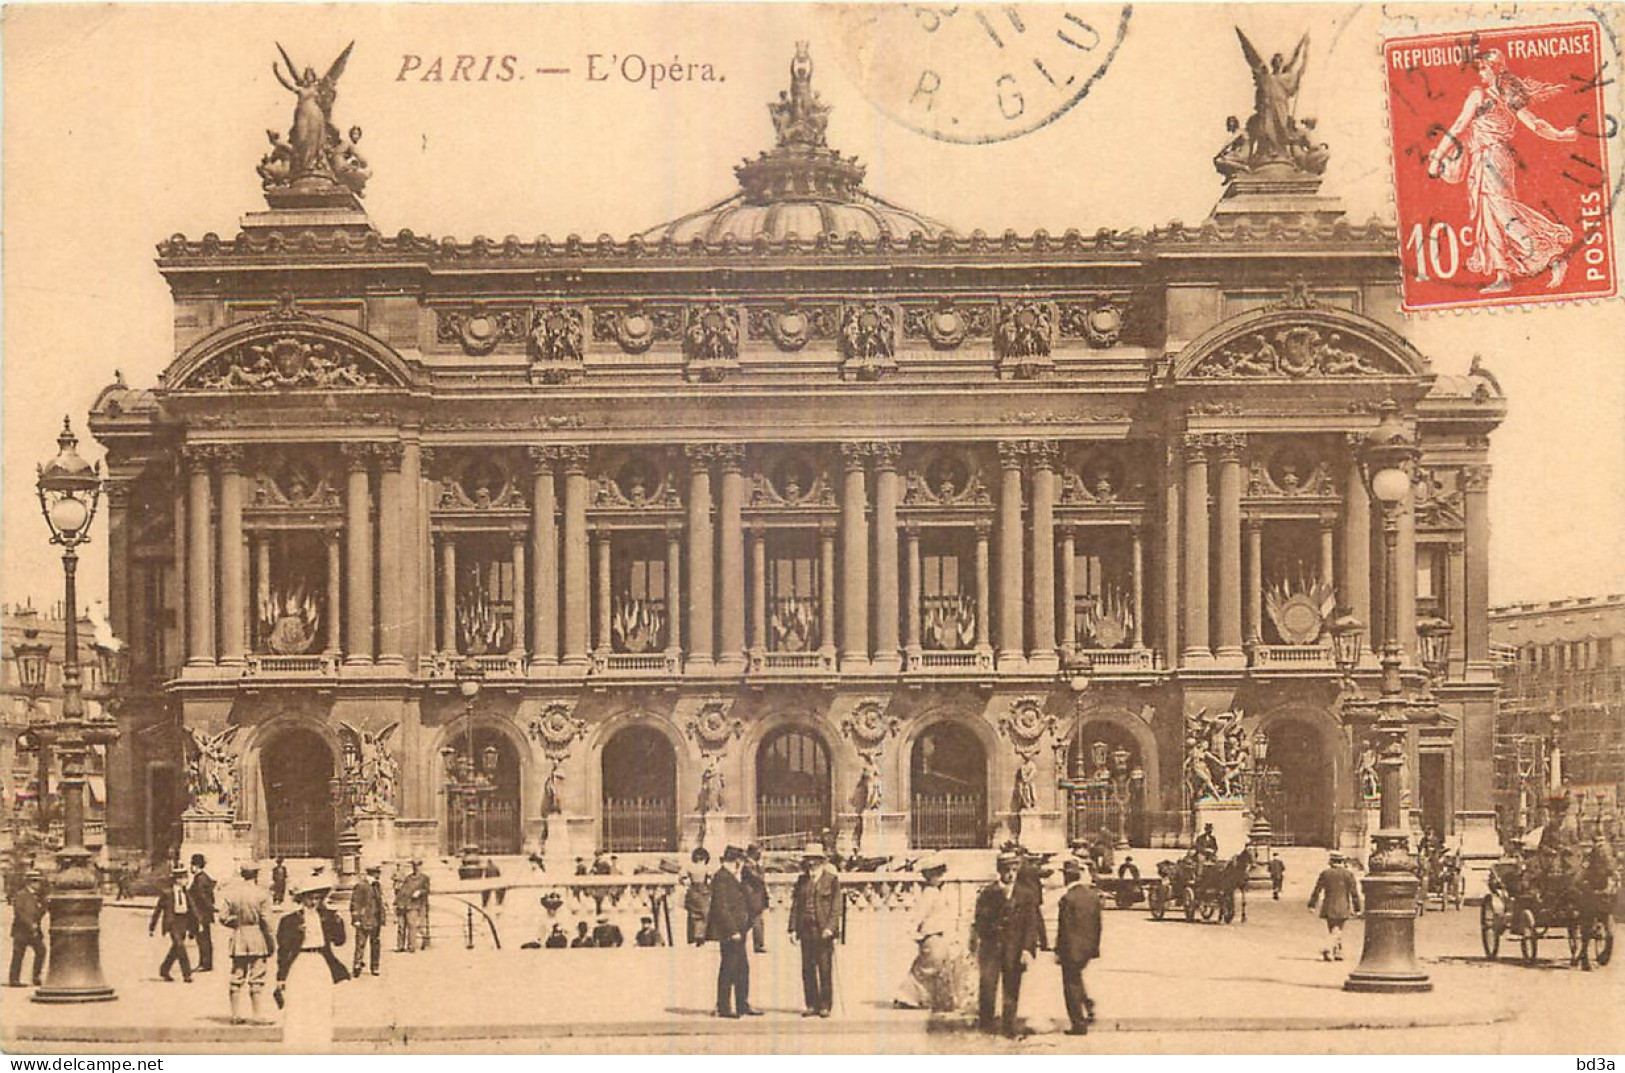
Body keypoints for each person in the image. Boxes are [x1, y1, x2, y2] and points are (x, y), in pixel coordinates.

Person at [1426, 49, 1579, 294]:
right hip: (1496, 158)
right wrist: (1560, 135)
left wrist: (1437, 157)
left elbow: (1458, 125)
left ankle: (1550, 257)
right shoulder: (1509, 99)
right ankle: (1502, 275)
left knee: (1503, 214)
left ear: (1493, 69)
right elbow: (1536, 125)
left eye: (1483, 68)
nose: (1481, 73)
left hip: (1489, 158)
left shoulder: (1480, 96)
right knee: (1490, 216)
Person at [973, 850, 1042, 1038]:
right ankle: (986, 1025)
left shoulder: (1026, 894)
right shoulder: (988, 893)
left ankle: (1008, 1027)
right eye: (1007, 870)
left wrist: (1028, 949)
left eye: (1014, 870)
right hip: (991, 949)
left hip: (1015, 950)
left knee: (1011, 988)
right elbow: (979, 921)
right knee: (988, 986)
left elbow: (1031, 924)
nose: (1011, 874)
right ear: (999, 871)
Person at [275, 872, 348, 1049]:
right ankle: (297, 1047)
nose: (313, 902)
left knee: (321, 1004)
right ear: (301, 898)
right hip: (300, 963)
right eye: (309, 898)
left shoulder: (328, 917)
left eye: (317, 898)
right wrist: (281, 977)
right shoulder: (289, 921)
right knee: (298, 1005)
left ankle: (320, 1046)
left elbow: (339, 941)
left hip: (320, 963)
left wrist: (339, 923)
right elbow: (283, 951)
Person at [895, 854, 959, 1011]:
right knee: (928, 967)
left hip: (939, 934)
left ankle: (932, 999)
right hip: (931, 935)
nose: (939, 877)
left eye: (940, 873)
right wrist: (913, 930)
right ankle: (909, 996)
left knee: (936, 967)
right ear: (928, 876)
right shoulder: (929, 893)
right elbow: (919, 914)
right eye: (936, 874)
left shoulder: (936, 892)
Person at [218, 861, 275, 1024]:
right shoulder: (262, 894)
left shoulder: (232, 894)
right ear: (256, 874)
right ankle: (257, 1015)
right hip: (257, 937)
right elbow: (267, 921)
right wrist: (272, 942)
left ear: (242, 874)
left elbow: (222, 917)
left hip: (239, 937)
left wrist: (235, 923)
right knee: (257, 978)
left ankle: (235, 1015)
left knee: (237, 976)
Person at [707, 845, 761, 1018]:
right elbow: (721, 907)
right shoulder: (722, 878)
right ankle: (724, 1006)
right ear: (737, 861)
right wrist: (732, 930)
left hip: (740, 929)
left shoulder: (733, 877)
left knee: (742, 967)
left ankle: (741, 1004)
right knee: (729, 967)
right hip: (730, 932)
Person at [790, 842, 840, 1017]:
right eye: (809, 860)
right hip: (806, 929)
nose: (811, 863)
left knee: (824, 968)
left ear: (821, 861)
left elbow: (836, 908)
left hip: (823, 930)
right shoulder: (802, 881)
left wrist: (830, 928)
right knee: (807, 968)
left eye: (815, 860)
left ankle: (825, 1005)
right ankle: (811, 1004)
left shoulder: (831, 880)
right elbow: (796, 905)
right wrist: (792, 929)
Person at [1055, 858, 1104, 1036]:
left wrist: (1059, 951)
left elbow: (1064, 929)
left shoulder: (1067, 898)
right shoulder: (1092, 896)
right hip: (1088, 948)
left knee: (1070, 985)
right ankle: (1087, 1003)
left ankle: (1078, 1024)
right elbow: (1098, 924)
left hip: (1071, 949)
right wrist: (1094, 948)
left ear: (1066, 878)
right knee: (1076, 979)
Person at [1308, 852, 1362, 961]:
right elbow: (1354, 892)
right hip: (1343, 905)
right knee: (1337, 929)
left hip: (1328, 905)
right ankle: (1329, 948)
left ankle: (1337, 952)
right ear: (1342, 862)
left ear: (1331, 862)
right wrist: (1357, 908)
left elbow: (1317, 890)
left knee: (1332, 928)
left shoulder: (1325, 873)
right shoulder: (1348, 874)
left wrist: (1312, 904)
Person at [150, 864, 197, 983]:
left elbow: (192, 908)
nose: (186, 880)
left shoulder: (186, 892)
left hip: (184, 922)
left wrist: (197, 923)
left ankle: (164, 969)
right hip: (173, 922)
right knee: (180, 946)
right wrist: (152, 927)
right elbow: (158, 910)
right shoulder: (167, 893)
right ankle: (187, 974)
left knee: (176, 948)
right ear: (177, 879)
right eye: (184, 878)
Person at [7, 870, 48, 988]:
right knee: (18, 955)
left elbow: (39, 912)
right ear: (30, 883)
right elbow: (20, 913)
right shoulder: (21, 895)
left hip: (33, 931)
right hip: (22, 931)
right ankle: (14, 979)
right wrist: (31, 925)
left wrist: (44, 906)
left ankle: (36, 976)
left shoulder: (37, 896)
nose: (39, 885)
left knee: (41, 951)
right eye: (37, 882)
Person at [350, 863, 385, 977]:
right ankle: (357, 965)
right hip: (364, 919)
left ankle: (375, 966)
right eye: (377, 873)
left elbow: (380, 903)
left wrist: (382, 917)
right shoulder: (361, 886)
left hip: (375, 919)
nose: (378, 876)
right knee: (360, 943)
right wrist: (356, 919)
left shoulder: (377, 886)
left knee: (375, 943)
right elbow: (355, 903)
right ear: (372, 874)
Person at [190, 853, 217, 973]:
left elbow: (201, 897)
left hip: (201, 914)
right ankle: (206, 963)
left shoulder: (199, 879)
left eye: (192, 865)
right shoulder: (204, 877)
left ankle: (205, 963)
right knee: (205, 938)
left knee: (202, 939)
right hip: (204, 914)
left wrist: (209, 908)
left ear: (195, 865)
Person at [682, 846, 713, 947]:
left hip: (692, 890)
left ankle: (693, 936)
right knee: (704, 915)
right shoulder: (706, 868)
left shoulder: (689, 867)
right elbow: (709, 880)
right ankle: (700, 935)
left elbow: (682, 878)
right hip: (703, 891)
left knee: (693, 915)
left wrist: (687, 884)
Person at [742, 843, 769, 955]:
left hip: (756, 896)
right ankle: (758, 944)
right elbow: (759, 879)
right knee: (755, 920)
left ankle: (757, 943)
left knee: (752, 920)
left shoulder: (753, 864)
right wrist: (761, 868)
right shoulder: (748, 865)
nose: (760, 854)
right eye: (758, 852)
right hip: (751, 896)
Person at [400, 858, 430, 952]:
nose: (415, 868)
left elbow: (427, 890)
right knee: (408, 924)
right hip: (408, 903)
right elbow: (403, 890)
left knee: (417, 924)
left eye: (417, 866)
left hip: (419, 904)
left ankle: (417, 944)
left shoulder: (424, 878)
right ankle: (407, 945)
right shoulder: (408, 878)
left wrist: (420, 892)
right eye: (414, 866)